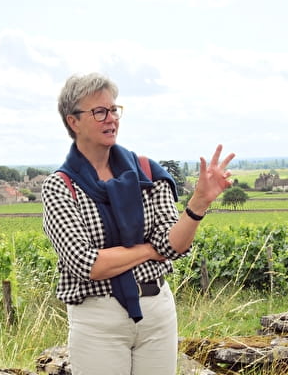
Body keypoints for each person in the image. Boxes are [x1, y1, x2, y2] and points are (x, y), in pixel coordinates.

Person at [42, 72, 235, 375]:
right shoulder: (60, 187)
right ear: (73, 121)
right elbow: (87, 264)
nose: (112, 119)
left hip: (157, 311)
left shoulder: (146, 171)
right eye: (100, 111)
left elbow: (174, 245)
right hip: (97, 319)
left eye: (114, 109)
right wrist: (148, 250)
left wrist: (198, 203)